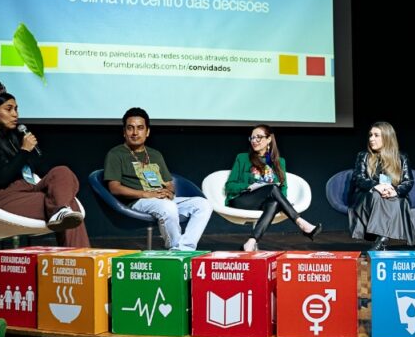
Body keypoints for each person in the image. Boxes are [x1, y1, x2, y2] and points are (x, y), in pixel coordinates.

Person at [0, 82, 90, 247]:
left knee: (62, 171)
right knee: (70, 207)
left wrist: (28, 150)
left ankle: (59, 212)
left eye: (16, 109)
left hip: (28, 189)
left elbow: (34, 170)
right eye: (8, 109)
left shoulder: (14, 139)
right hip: (3, 197)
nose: (15, 114)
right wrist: (24, 151)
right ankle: (79, 257)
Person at [104, 107, 211, 251]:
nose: (135, 133)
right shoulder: (116, 154)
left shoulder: (155, 155)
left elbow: (169, 183)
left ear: (147, 132)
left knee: (203, 204)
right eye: (130, 128)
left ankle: (185, 248)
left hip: (160, 199)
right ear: (124, 132)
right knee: (168, 207)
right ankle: (175, 249)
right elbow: (114, 188)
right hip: (138, 201)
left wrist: (169, 192)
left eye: (140, 128)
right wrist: (146, 194)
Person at [224, 124, 321, 252]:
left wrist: (282, 202)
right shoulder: (242, 158)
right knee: (272, 188)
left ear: (269, 139)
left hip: (265, 201)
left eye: (258, 137)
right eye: (252, 138)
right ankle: (300, 222)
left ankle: (250, 242)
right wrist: (249, 186)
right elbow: (229, 186)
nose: (254, 141)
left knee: (274, 202)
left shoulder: (279, 161)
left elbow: (283, 188)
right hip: (242, 200)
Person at [348, 122, 415, 251]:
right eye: (370, 135)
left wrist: (396, 191)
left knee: (394, 199)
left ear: (387, 137)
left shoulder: (401, 157)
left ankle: (380, 239)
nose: (371, 139)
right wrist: (376, 186)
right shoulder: (364, 156)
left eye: (376, 135)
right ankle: (383, 238)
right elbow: (358, 178)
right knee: (376, 195)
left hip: (393, 196)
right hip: (367, 196)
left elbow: (408, 182)